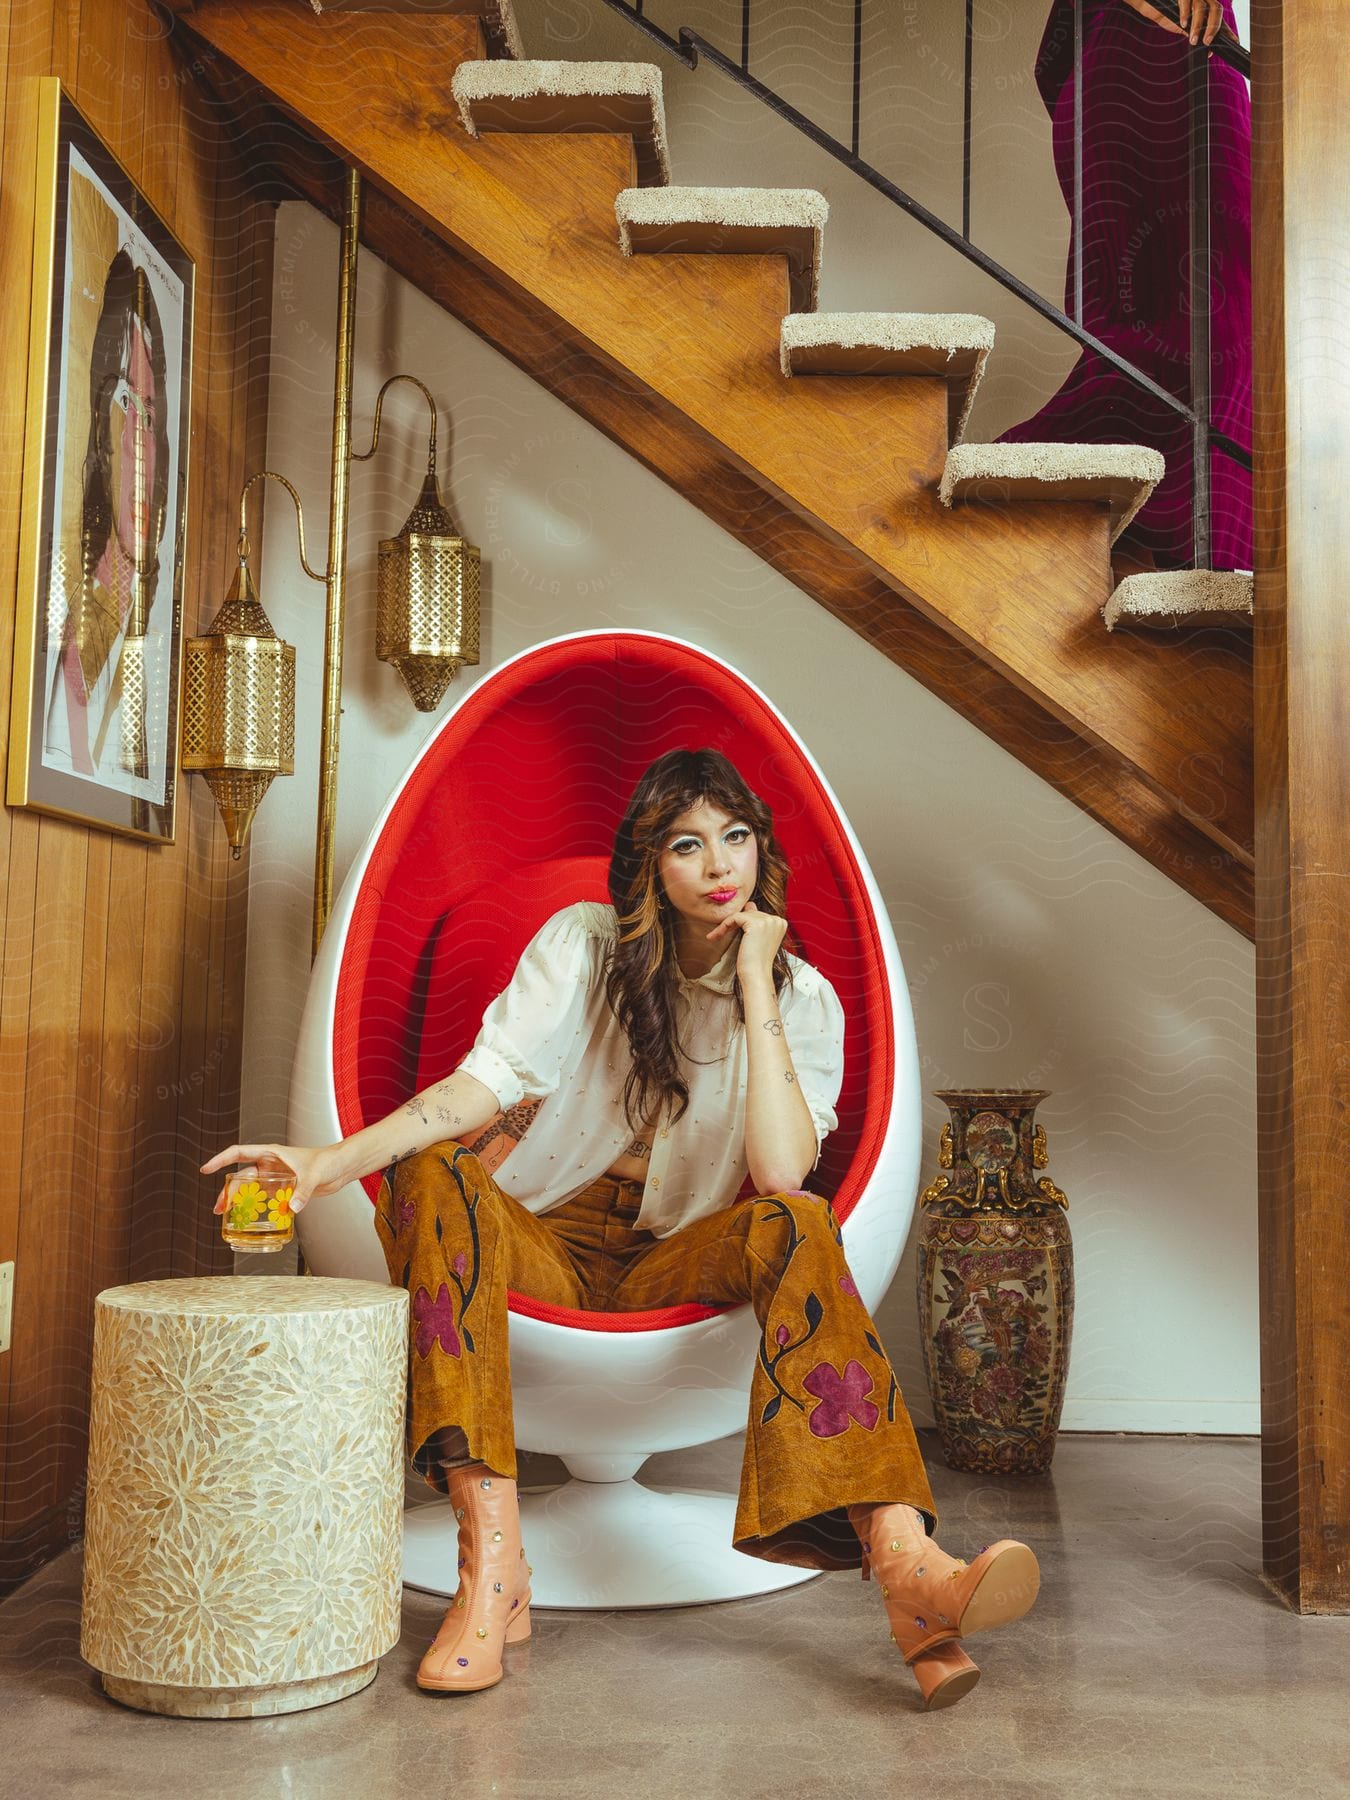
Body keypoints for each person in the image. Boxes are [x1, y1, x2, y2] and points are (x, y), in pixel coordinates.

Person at [202, 748, 1041, 1711]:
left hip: (668, 1260)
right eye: (688, 845)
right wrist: (325, 1163)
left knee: (796, 1220)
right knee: (431, 1174)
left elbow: (776, 1171)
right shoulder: (585, 944)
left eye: (736, 837)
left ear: (760, 850)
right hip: (545, 1237)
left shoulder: (804, 1001)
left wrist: (760, 980)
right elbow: (481, 1086)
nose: (719, 864)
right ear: (652, 864)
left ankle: (910, 1572)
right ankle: (492, 1569)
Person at [996, 0, 1251, 576]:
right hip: (1155, 56)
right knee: (1189, 331)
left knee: (1206, 329)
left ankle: (1155, 553)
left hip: (1177, 56)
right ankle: (1012, 503)